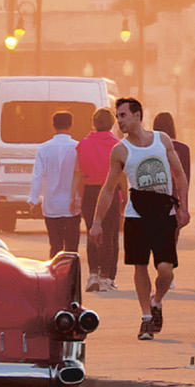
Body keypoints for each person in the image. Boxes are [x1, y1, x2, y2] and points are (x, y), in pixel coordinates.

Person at [91, 98, 190, 340]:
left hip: (164, 213)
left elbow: (179, 174)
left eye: (123, 115)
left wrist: (184, 208)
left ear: (137, 115)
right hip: (137, 215)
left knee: (166, 270)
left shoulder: (161, 140)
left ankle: (157, 300)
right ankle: (146, 317)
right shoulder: (120, 150)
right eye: (118, 117)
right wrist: (96, 222)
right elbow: (108, 188)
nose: (120, 121)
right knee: (140, 266)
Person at [76, 107, 122, 292]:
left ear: (94, 123)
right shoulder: (118, 145)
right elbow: (122, 175)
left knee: (92, 233)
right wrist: (125, 195)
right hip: (110, 191)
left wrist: (77, 196)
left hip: (90, 192)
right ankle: (105, 278)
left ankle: (93, 274)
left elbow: (79, 174)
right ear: (112, 123)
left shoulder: (83, 144)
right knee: (109, 235)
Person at [28, 110, 82, 257]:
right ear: (71, 125)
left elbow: (37, 176)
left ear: (53, 125)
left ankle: (55, 277)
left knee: (55, 245)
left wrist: (33, 199)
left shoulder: (44, 148)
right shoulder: (78, 147)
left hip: (51, 204)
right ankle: (70, 277)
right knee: (72, 248)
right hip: (72, 205)